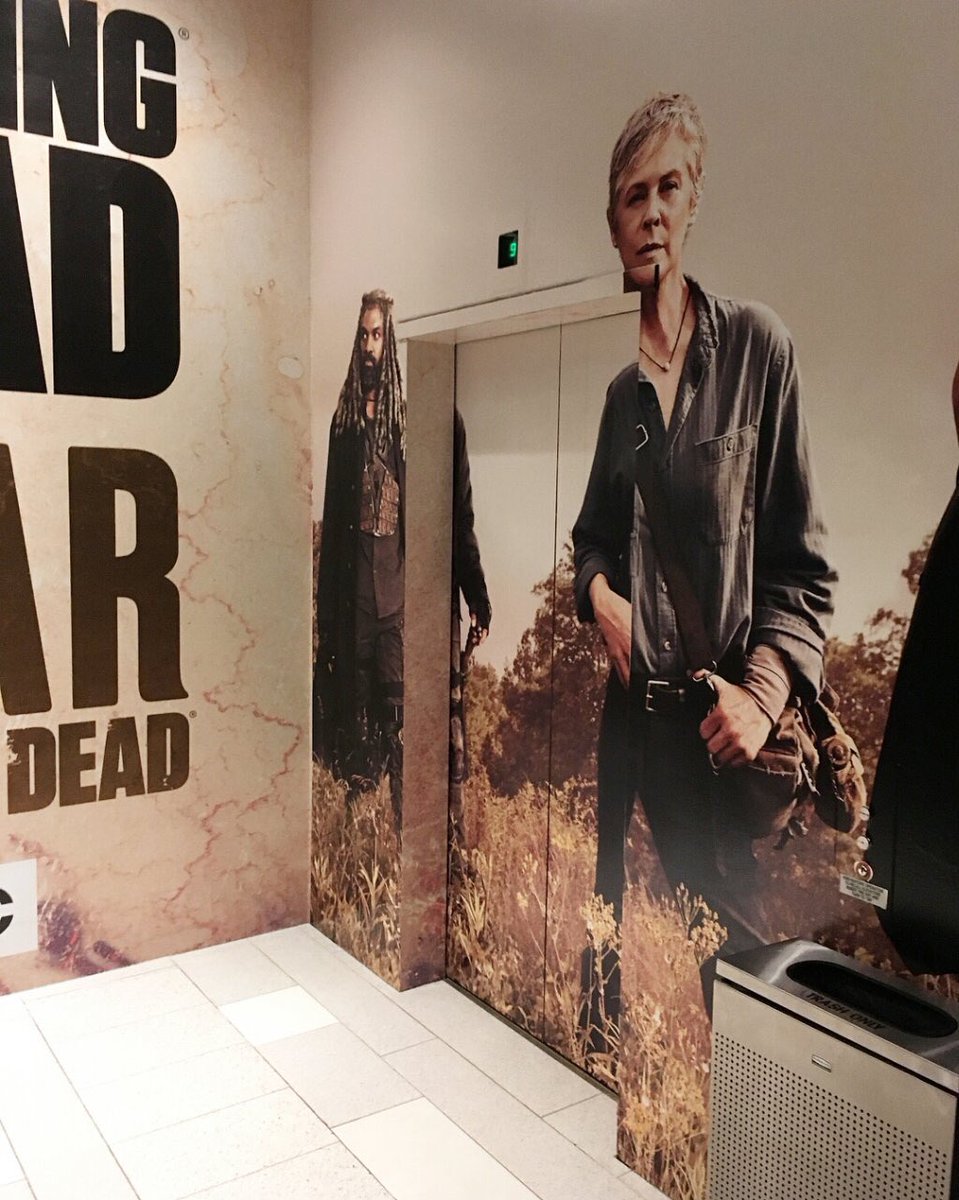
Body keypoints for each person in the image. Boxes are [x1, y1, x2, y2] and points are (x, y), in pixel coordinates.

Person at [572, 94, 836, 1022]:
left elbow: (802, 570)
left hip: (712, 737)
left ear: (692, 204)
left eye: (668, 188)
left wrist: (759, 697)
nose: (651, 212)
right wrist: (598, 594)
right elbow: (591, 537)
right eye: (632, 196)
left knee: (735, 985)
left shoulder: (759, 349)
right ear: (613, 224)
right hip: (627, 729)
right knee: (601, 951)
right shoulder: (619, 396)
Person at [314, 290, 406, 827]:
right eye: (364, 335)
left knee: (398, 723)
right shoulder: (344, 425)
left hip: (394, 605)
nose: (370, 347)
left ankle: (404, 829)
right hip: (353, 607)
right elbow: (331, 524)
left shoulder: (403, 426)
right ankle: (354, 838)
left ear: (389, 343)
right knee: (355, 725)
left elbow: (418, 522)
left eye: (378, 336)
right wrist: (326, 621)